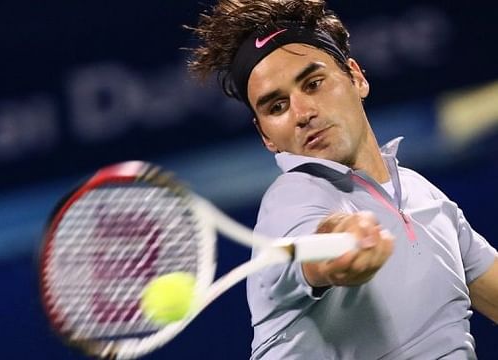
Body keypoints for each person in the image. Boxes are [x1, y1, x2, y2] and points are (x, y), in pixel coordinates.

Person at [186, 1, 498, 359]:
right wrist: (340, 247)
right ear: (266, 136)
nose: (302, 113)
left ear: (356, 77)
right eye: (277, 107)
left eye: (314, 83)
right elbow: (314, 248)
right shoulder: (290, 198)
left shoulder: (421, 193)